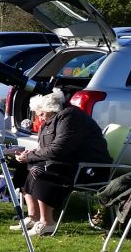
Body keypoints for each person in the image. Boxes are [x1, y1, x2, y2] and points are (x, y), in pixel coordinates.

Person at [13, 89, 111, 236]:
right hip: (70, 163)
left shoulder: (70, 116)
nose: (40, 117)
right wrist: (28, 156)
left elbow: (59, 150)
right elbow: (47, 149)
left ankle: (48, 223)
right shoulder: (51, 120)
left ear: (51, 108)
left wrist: (31, 156)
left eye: (41, 113)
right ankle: (34, 217)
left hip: (89, 168)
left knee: (39, 170)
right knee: (23, 167)